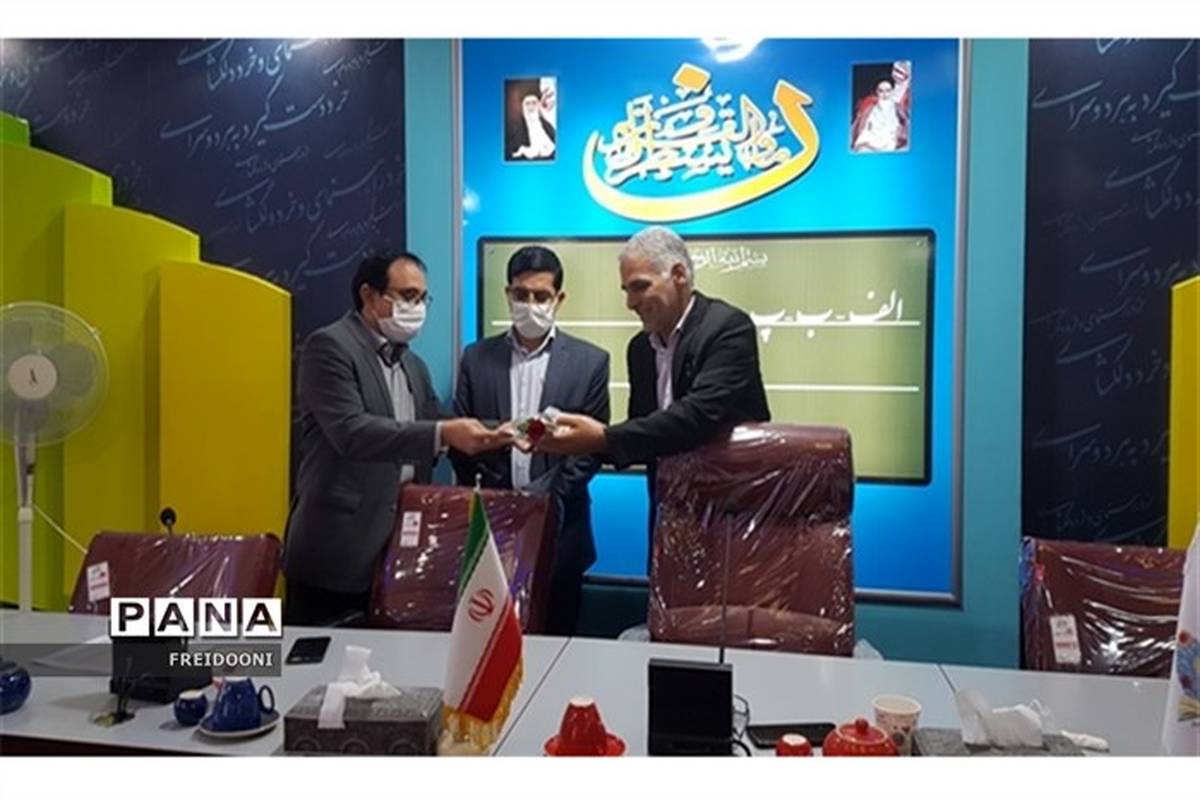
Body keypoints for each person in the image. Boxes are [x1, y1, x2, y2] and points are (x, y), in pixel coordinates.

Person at [283, 251, 511, 626]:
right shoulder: (330, 347)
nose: (416, 308)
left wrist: (506, 430)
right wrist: (443, 433)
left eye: (422, 299)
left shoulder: (413, 364)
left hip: (400, 549)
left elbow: (438, 421)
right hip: (337, 549)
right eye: (407, 296)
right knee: (320, 655)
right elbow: (352, 432)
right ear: (369, 295)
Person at [536, 226, 770, 562]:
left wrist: (600, 438)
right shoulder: (640, 349)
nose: (630, 303)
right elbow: (645, 434)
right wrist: (569, 441)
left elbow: (696, 417)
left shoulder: (727, 328)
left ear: (679, 275)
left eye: (640, 287)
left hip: (731, 520)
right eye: (626, 290)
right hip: (668, 520)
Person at [451, 245, 610, 635]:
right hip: (491, 532)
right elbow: (463, 438)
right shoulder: (476, 358)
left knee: (558, 642)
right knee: (490, 644)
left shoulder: (591, 362)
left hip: (563, 530)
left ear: (559, 298)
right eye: (521, 294)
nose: (530, 304)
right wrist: (503, 502)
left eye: (541, 296)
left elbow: (590, 450)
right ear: (508, 294)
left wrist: (542, 502)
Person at [851, 62, 911, 153]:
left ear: (892, 91)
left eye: (888, 91)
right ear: (876, 92)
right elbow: (859, 127)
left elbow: (905, 126)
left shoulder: (898, 108)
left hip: (890, 140)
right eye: (881, 91)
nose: (884, 94)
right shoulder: (869, 108)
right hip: (870, 140)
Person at [507, 79, 556, 160]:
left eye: (534, 103)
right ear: (523, 107)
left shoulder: (548, 126)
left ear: (538, 106)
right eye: (527, 103)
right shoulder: (513, 129)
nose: (531, 107)